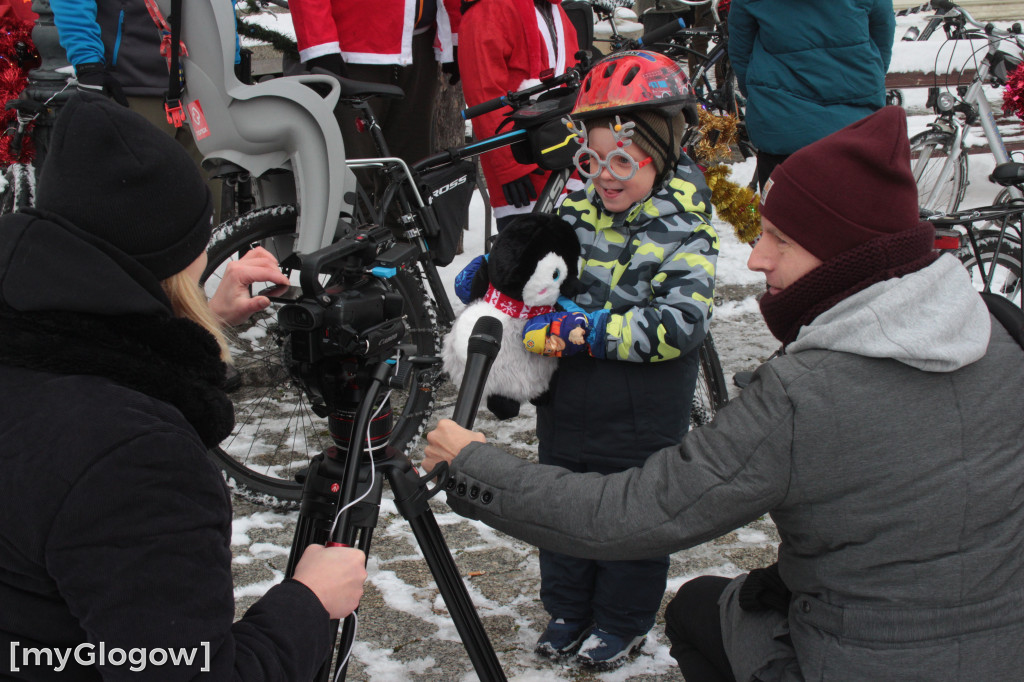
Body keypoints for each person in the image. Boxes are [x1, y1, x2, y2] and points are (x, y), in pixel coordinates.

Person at [424, 105, 1024, 680]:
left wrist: (474, 464)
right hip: (1000, 645)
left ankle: (622, 619)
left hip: (857, 656)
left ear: (846, 254)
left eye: (779, 241)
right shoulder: (1006, 335)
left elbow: (639, 515)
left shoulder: (800, 394)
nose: (756, 258)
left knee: (686, 596)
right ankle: (570, 607)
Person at [0, 92, 366, 679]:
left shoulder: (31, 348)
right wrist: (310, 603)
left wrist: (196, 321)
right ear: (170, 259)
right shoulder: (135, 460)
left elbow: (87, 368)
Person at [472, 50, 716, 670]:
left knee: (629, 519)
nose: (604, 176)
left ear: (659, 154)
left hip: (641, 412)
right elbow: (543, 263)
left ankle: (621, 620)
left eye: (621, 162)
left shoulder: (684, 228)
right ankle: (568, 609)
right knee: (560, 505)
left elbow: (683, 324)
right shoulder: (579, 209)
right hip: (569, 401)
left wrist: (591, 331)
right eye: (591, 159)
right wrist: (503, 274)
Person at [49, 0, 240, 224]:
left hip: (204, 82)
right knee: (136, 219)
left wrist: (231, 58)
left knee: (206, 221)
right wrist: (88, 64)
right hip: (132, 83)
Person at [728, 0, 895, 191]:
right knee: (852, 215)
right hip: (854, 125)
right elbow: (882, 34)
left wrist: (763, 97)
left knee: (783, 217)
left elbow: (741, 51)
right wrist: (865, 83)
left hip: (782, 123)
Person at [289, 0, 461, 168]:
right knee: (354, 168)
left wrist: (456, 33)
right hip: (352, 53)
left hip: (420, 47)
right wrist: (320, 46)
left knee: (412, 169)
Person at [458, 0, 580, 231]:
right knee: (527, 256)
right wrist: (511, 166)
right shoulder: (488, 10)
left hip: (568, 155)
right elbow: (485, 94)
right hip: (523, 157)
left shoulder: (556, 9)